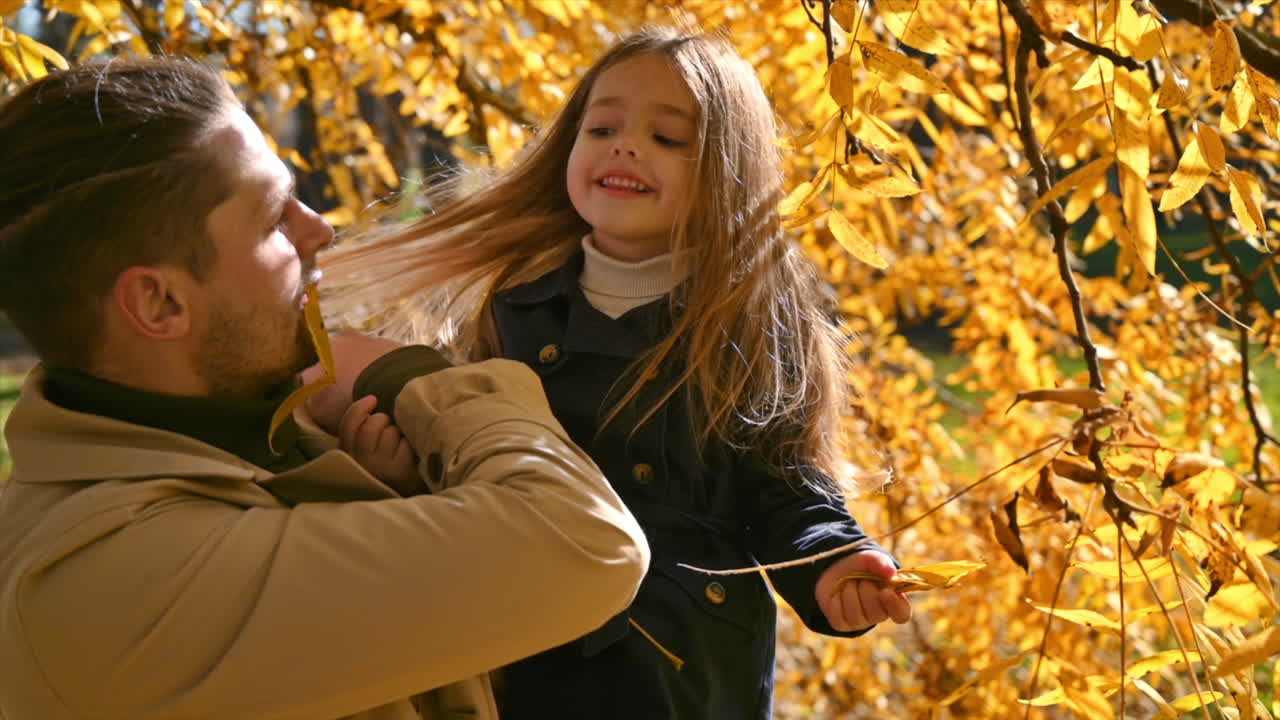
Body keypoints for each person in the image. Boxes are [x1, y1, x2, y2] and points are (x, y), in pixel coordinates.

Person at [0, 57, 650, 720]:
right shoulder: (110, 586)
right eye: (273, 219)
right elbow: (587, 542)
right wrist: (409, 376)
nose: (318, 228)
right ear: (160, 304)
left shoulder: (253, 425)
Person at [322, 27, 913, 720]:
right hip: (527, 649)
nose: (625, 145)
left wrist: (832, 562)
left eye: (668, 138)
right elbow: (480, 465)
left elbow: (783, 488)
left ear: (728, 171)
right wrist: (400, 477)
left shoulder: (742, 325)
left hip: (672, 667)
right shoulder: (516, 308)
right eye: (602, 126)